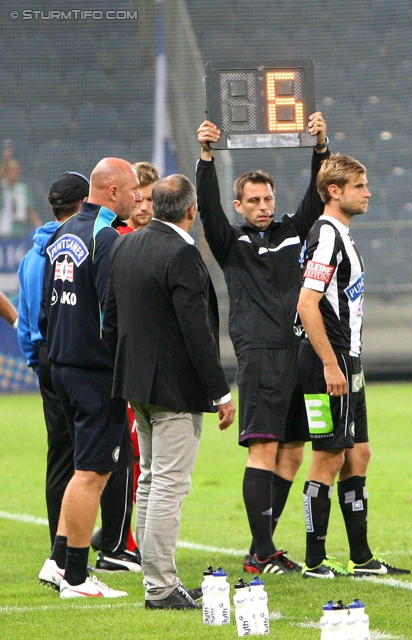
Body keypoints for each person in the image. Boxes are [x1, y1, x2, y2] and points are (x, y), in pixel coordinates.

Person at [196, 114, 329, 574]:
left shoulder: (293, 232)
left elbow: (316, 196)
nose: (263, 205)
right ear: (239, 206)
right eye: (253, 200)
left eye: (268, 198)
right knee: (264, 448)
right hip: (260, 356)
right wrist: (206, 157)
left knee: (293, 450)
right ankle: (262, 549)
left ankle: (263, 547)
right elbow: (208, 211)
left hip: (298, 351)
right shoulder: (231, 243)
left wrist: (320, 147)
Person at [104, 173, 236, 610]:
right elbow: (196, 331)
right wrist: (220, 393)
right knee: (168, 486)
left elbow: (110, 317)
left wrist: (127, 366)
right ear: (191, 210)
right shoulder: (181, 252)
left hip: (136, 384)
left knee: (149, 482)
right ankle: (161, 587)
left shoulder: (125, 244)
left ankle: (155, 581)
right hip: (174, 390)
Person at [18, 171, 140, 577]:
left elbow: (47, 309)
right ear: (113, 191)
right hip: (95, 371)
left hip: (62, 366)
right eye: (134, 190)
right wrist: (122, 363)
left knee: (76, 468)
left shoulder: (62, 233)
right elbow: (113, 311)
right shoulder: (104, 238)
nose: (138, 198)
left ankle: (58, 562)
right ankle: (76, 575)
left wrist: (54, 353)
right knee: (93, 473)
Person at [296, 154, 411, 578]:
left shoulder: (341, 235)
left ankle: (361, 557)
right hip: (329, 361)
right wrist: (329, 363)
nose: (368, 192)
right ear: (334, 191)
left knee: (358, 452)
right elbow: (307, 304)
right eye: (360, 186)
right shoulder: (326, 235)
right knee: (328, 455)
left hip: (348, 359)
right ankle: (313, 560)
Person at [92, 160, 160, 557]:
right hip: (124, 365)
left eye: (151, 198)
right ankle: (121, 541)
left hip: (142, 364)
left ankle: (120, 537)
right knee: (128, 459)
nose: (143, 204)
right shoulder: (115, 239)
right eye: (139, 196)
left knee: (137, 460)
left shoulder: (149, 240)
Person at [0, 159, 41, 237]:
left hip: (20, 233)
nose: (15, 173)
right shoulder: (2, 188)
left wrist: (39, 226)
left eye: (17, 170)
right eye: (11, 170)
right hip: (3, 232)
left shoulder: (23, 189)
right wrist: (5, 162)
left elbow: (29, 211)